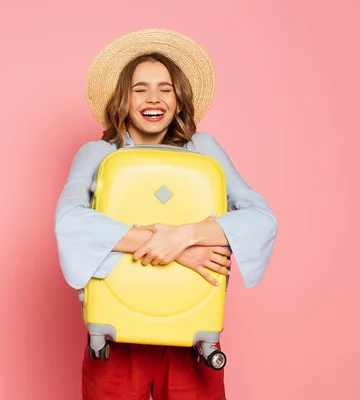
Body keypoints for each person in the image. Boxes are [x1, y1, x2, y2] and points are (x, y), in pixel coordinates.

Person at [54, 29, 278, 399]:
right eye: (139, 89)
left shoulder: (204, 150)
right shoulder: (97, 153)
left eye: (165, 88)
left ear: (179, 100)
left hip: (192, 336)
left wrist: (185, 234)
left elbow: (260, 218)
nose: (153, 98)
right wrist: (172, 246)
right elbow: (70, 223)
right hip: (115, 337)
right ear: (122, 99)